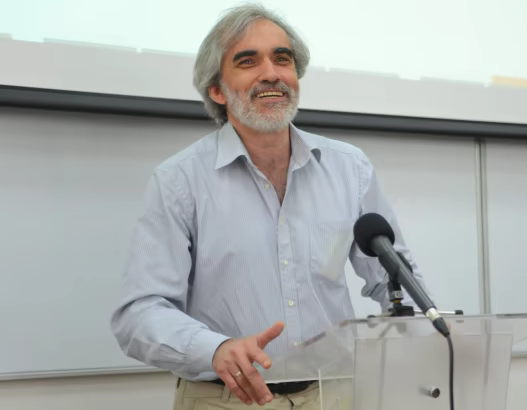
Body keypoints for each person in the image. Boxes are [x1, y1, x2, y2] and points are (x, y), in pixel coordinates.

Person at [111, 3, 426, 409]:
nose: (272, 73)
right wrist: (215, 349)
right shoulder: (179, 180)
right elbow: (139, 313)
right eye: (248, 61)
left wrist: (427, 338)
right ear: (217, 90)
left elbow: (395, 281)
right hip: (227, 398)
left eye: (282, 59)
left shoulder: (350, 168)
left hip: (336, 394)